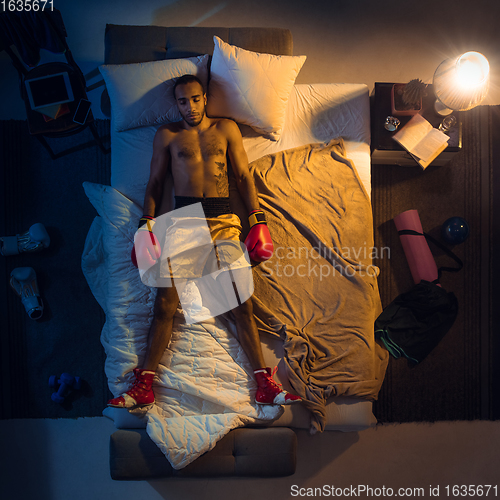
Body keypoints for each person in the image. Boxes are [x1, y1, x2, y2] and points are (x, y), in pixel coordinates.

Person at [108, 74, 301, 409]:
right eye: (183, 101)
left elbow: (242, 175)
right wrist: (145, 225)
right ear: (176, 104)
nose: (191, 106)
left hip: (224, 222)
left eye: (196, 99)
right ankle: (144, 386)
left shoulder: (226, 129)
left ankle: (264, 385)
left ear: (205, 98)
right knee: (165, 305)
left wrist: (257, 220)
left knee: (242, 303)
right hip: (184, 222)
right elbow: (155, 182)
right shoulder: (167, 134)